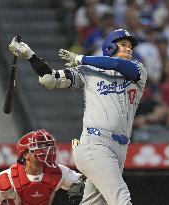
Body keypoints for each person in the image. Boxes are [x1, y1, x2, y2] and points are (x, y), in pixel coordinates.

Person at [8, 28, 147, 205]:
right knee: (121, 199)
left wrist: (81, 58)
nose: (129, 49)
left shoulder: (138, 71)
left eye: (130, 46)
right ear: (110, 48)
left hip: (120, 148)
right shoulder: (87, 71)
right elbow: (50, 78)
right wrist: (29, 54)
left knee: (93, 202)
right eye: (123, 44)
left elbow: (118, 65)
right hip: (96, 143)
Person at [0, 129, 85, 205]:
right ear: (25, 154)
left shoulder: (59, 172)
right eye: (40, 147)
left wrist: (83, 185)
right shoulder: (7, 179)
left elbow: (82, 183)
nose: (47, 150)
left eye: (48, 146)